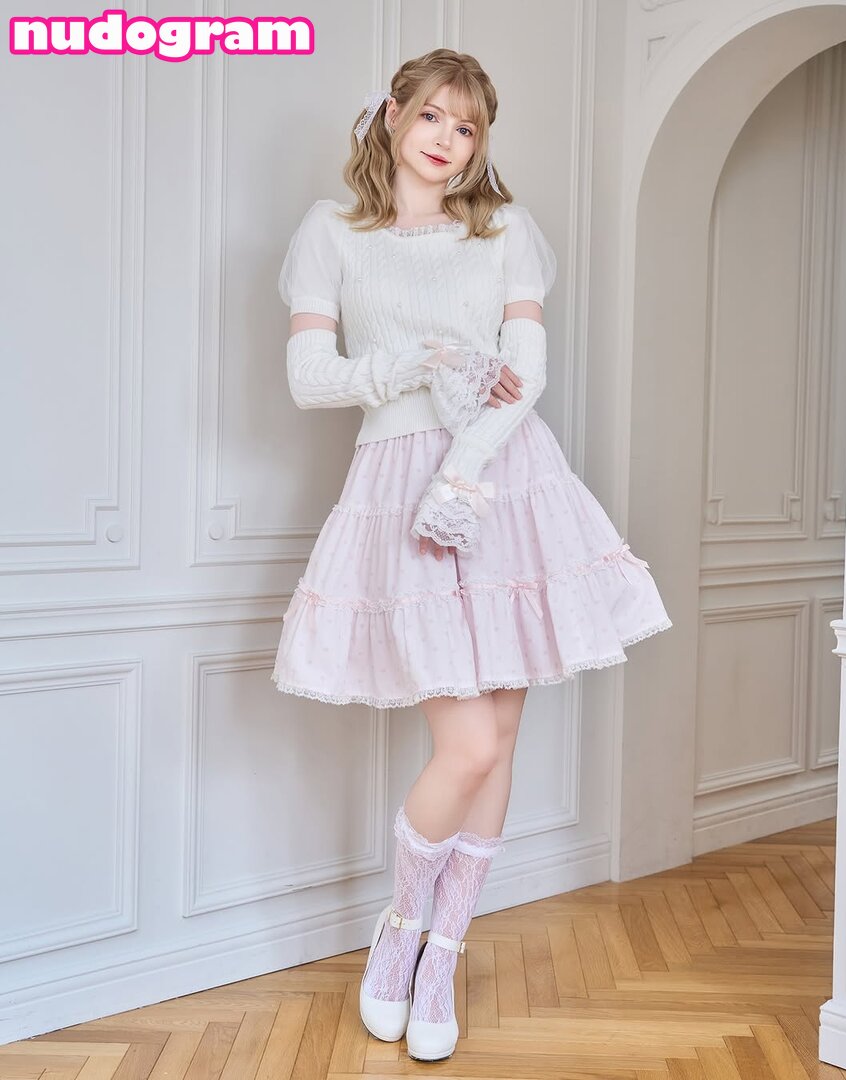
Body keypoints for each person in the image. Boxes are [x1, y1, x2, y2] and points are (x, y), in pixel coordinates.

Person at [272, 48, 673, 1062]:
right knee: (470, 746)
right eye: (433, 118)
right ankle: (399, 929)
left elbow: (523, 373)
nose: (448, 141)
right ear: (393, 116)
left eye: (467, 127)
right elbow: (310, 376)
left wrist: (463, 471)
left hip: (503, 480)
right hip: (393, 481)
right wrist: (412, 363)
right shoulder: (332, 233)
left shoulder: (503, 233)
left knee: (499, 730)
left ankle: (444, 950)